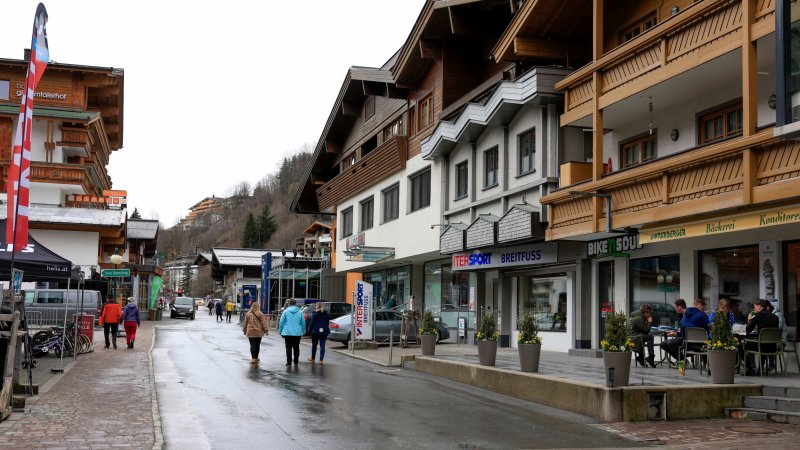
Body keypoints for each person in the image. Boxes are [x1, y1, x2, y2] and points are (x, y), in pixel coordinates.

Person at [741, 299, 780, 375]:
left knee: (740, 347)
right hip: (773, 347)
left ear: (759, 307)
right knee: (763, 342)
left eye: (755, 307)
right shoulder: (775, 317)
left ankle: (751, 369)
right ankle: (760, 370)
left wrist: (749, 319)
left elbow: (748, 330)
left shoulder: (758, 315)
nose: (754, 309)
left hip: (761, 346)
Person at [278, 298, 306, 366]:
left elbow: (281, 322)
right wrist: (304, 330)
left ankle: (289, 361)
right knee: (296, 347)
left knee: (288, 347)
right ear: (295, 304)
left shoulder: (285, 311)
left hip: (287, 332)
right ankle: (296, 361)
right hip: (297, 333)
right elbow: (303, 322)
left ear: (289, 304)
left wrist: (280, 331)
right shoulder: (300, 312)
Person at [630, 304, 656, 368]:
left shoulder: (636, 317)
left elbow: (642, 330)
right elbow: (646, 330)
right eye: (649, 313)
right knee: (650, 337)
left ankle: (641, 357)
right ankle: (651, 357)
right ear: (645, 312)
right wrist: (649, 322)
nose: (650, 315)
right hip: (634, 338)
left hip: (632, 337)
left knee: (644, 337)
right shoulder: (639, 318)